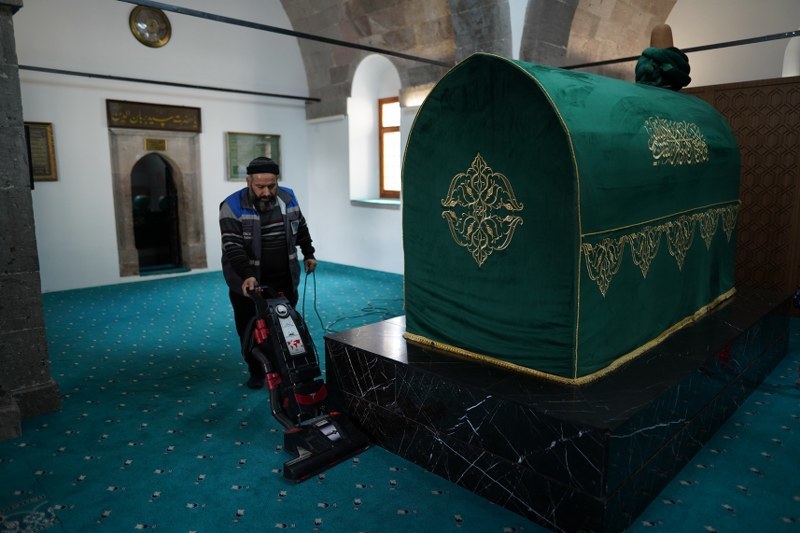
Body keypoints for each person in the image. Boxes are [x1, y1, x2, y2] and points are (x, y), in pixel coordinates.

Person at [219, 156, 317, 389]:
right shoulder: (231, 206)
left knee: (286, 326)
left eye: (271, 186)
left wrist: (308, 253)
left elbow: (300, 226)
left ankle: (284, 368)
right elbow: (233, 246)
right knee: (250, 328)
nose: (266, 192)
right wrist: (247, 275)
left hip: (284, 276)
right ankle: (256, 370)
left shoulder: (287, 198)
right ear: (248, 182)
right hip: (248, 282)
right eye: (260, 186)